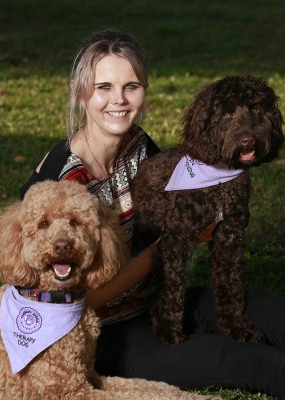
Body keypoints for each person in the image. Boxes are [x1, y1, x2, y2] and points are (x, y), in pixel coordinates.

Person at [20, 29, 285, 400]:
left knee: (275, 312)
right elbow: (65, 304)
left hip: (158, 299)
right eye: (104, 87)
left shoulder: (140, 146)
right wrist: (163, 250)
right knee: (255, 361)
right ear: (79, 92)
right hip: (102, 331)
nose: (119, 100)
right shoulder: (61, 181)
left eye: (131, 86)